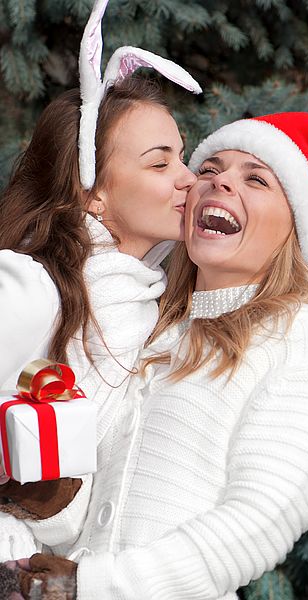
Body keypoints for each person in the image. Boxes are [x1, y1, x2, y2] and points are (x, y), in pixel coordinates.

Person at [2, 113, 308, 599]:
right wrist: (47, 498)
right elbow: (97, 512)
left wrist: (95, 584)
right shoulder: (153, 327)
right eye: (210, 169)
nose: (217, 182)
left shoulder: (294, 335)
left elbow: (263, 519)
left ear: (294, 226)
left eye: (255, 179)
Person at [0, 0, 201, 563]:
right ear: (92, 192)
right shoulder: (29, 286)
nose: (188, 180)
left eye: (181, 158)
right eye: (160, 164)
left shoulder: (153, 307)